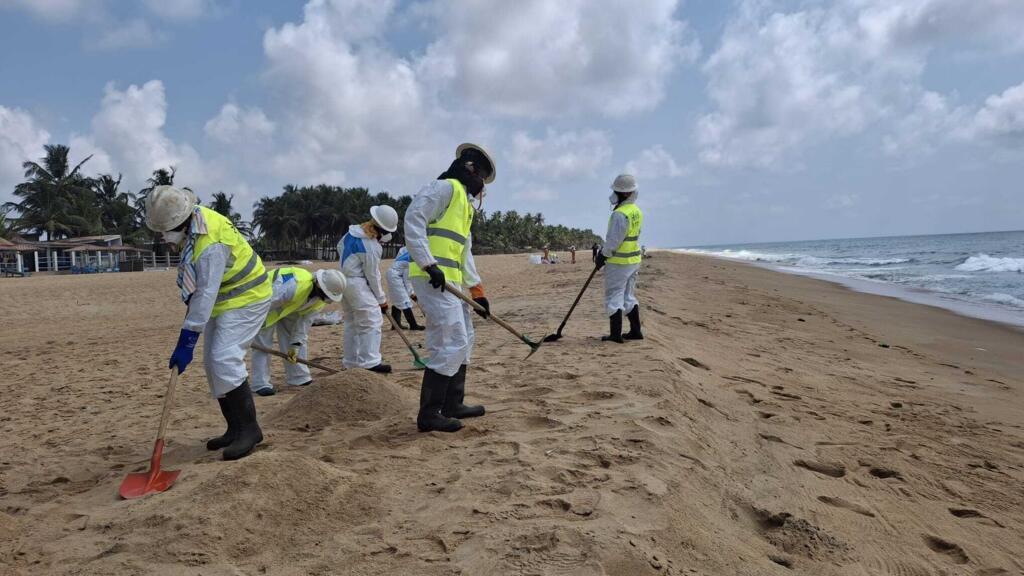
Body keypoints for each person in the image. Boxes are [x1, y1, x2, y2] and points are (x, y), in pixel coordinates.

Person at [144, 185, 271, 461]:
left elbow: (204, 295)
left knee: (224, 358)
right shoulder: (195, 225)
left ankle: (250, 429)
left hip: (248, 297)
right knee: (213, 364)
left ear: (181, 222)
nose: (163, 236)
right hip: (224, 299)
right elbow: (202, 294)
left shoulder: (210, 245)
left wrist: (187, 341)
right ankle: (234, 428)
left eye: (165, 230)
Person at [405, 142, 494, 433]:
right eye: (482, 177)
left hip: (450, 281)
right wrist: (428, 263)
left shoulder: (465, 207)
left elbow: (465, 253)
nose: (483, 186)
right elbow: (413, 219)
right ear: (470, 169)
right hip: (431, 278)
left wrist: (477, 292)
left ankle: (453, 403)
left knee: (464, 337)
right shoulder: (444, 188)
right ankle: (429, 414)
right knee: (451, 340)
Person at [250, 267, 346, 396]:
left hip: (291, 307)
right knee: (263, 344)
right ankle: (260, 383)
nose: (325, 299)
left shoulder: (319, 300)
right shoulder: (293, 285)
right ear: (318, 285)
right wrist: (249, 325)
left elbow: (303, 326)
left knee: (296, 342)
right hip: (265, 303)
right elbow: (264, 304)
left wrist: (295, 346)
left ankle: (299, 377)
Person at [338, 205, 399, 373]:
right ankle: (370, 362)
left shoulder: (351, 232)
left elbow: (339, 247)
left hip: (343, 280)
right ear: (384, 231)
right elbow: (373, 276)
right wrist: (381, 300)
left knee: (352, 323)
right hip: (357, 282)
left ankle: (351, 362)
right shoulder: (371, 246)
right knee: (371, 320)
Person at [595, 174, 644, 343]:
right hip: (634, 261)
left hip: (619, 263)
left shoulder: (619, 214)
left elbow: (613, 241)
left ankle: (615, 335)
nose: (613, 194)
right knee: (628, 296)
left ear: (623, 193)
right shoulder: (636, 211)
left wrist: (602, 255)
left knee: (614, 296)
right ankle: (636, 331)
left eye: (615, 191)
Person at [386, 246, 425, 331]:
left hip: (393, 274)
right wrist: (412, 294)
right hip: (395, 277)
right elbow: (407, 280)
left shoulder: (409, 253)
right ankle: (413, 325)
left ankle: (395, 325)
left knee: (397, 300)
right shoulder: (411, 261)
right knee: (404, 301)